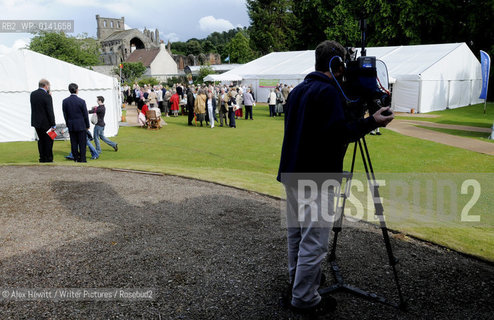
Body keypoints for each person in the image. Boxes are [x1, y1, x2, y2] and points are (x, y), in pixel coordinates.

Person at [277, 40, 394, 315]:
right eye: (342, 66)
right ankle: (304, 298)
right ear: (335, 65)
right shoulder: (328, 93)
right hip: (316, 177)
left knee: (296, 236)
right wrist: (372, 121)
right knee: (314, 241)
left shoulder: (298, 91)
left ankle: (299, 283)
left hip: (291, 173)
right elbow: (340, 134)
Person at [62, 83, 90, 163]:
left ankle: (76, 158)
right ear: (77, 90)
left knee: (73, 143)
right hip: (81, 124)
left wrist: (68, 124)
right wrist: (87, 125)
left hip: (71, 124)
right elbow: (85, 115)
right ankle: (83, 158)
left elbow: (65, 114)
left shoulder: (65, 101)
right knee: (82, 143)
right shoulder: (81, 101)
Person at [30, 79, 56, 163]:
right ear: (46, 85)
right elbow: (50, 111)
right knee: (49, 140)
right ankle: (48, 158)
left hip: (36, 121)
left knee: (41, 140)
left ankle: (42, 157)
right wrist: (53, 123)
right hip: (46, 122)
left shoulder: (33, 94)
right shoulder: (47, 96)